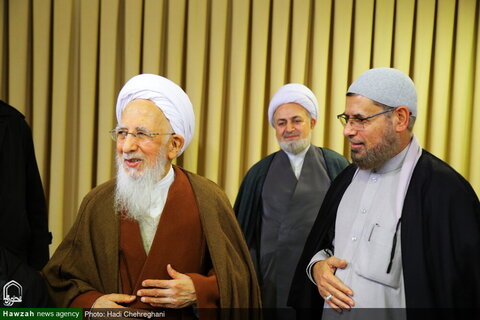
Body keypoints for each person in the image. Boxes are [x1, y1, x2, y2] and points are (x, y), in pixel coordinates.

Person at [42, 74, 261, 318]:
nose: (127, 147)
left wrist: (199, 290)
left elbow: (241, 281)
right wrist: (93, 304)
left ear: (174, 145)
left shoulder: (209, 198)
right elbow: (59, 279)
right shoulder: (98, 202)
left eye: (142, 134)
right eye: (122, 133)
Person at [288, 68, 480, 319]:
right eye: (347, 119)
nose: (348, 130)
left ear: (400, 118)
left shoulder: (446, 193)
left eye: (361, 119)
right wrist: (317, 268)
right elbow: (326, 245)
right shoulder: (345, 180)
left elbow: (462, 293)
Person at [234, 84, 349, 317]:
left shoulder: (335, 165)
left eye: (296, 120)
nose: (289, 129)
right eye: (281, 123)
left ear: (312, 123)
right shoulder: (259, 173)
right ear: (275, 128)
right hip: (270, 282)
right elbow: (242, 235)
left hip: (320, 278)